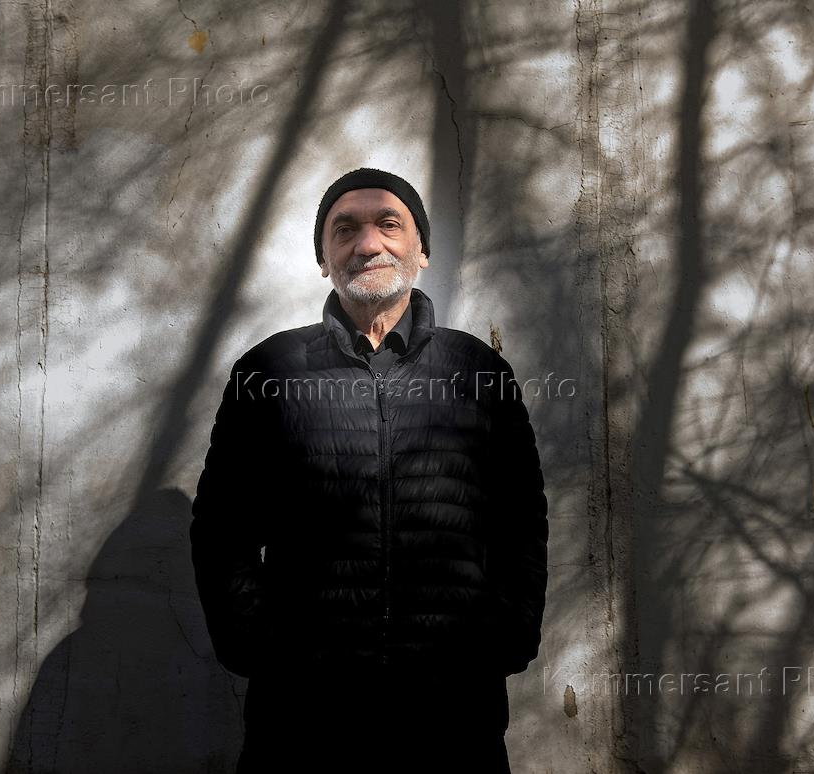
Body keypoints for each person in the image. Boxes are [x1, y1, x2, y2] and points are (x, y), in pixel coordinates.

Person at [190, 168, 548, 773]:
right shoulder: (269, 371)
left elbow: (520, 520)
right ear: (323, 260)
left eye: (388, 224)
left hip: (452, 707)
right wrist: (259, 645)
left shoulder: (478, 371)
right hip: (303, 713)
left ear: (421, 250)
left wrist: (504, 637)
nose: (367, 243)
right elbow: (222, 528)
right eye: (344, 229)